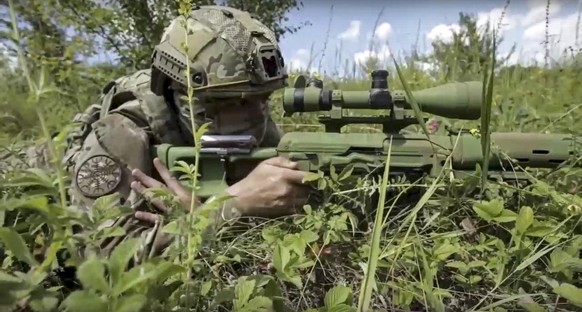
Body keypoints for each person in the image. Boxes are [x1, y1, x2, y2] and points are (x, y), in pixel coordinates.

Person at [55, 5, 311, 258]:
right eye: (237, 102)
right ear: (187, 97)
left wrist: (201, 212)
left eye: (264, 98)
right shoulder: (121, 134)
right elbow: (99, 258)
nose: (258, 117)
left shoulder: (251, 124)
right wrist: (228, 208)